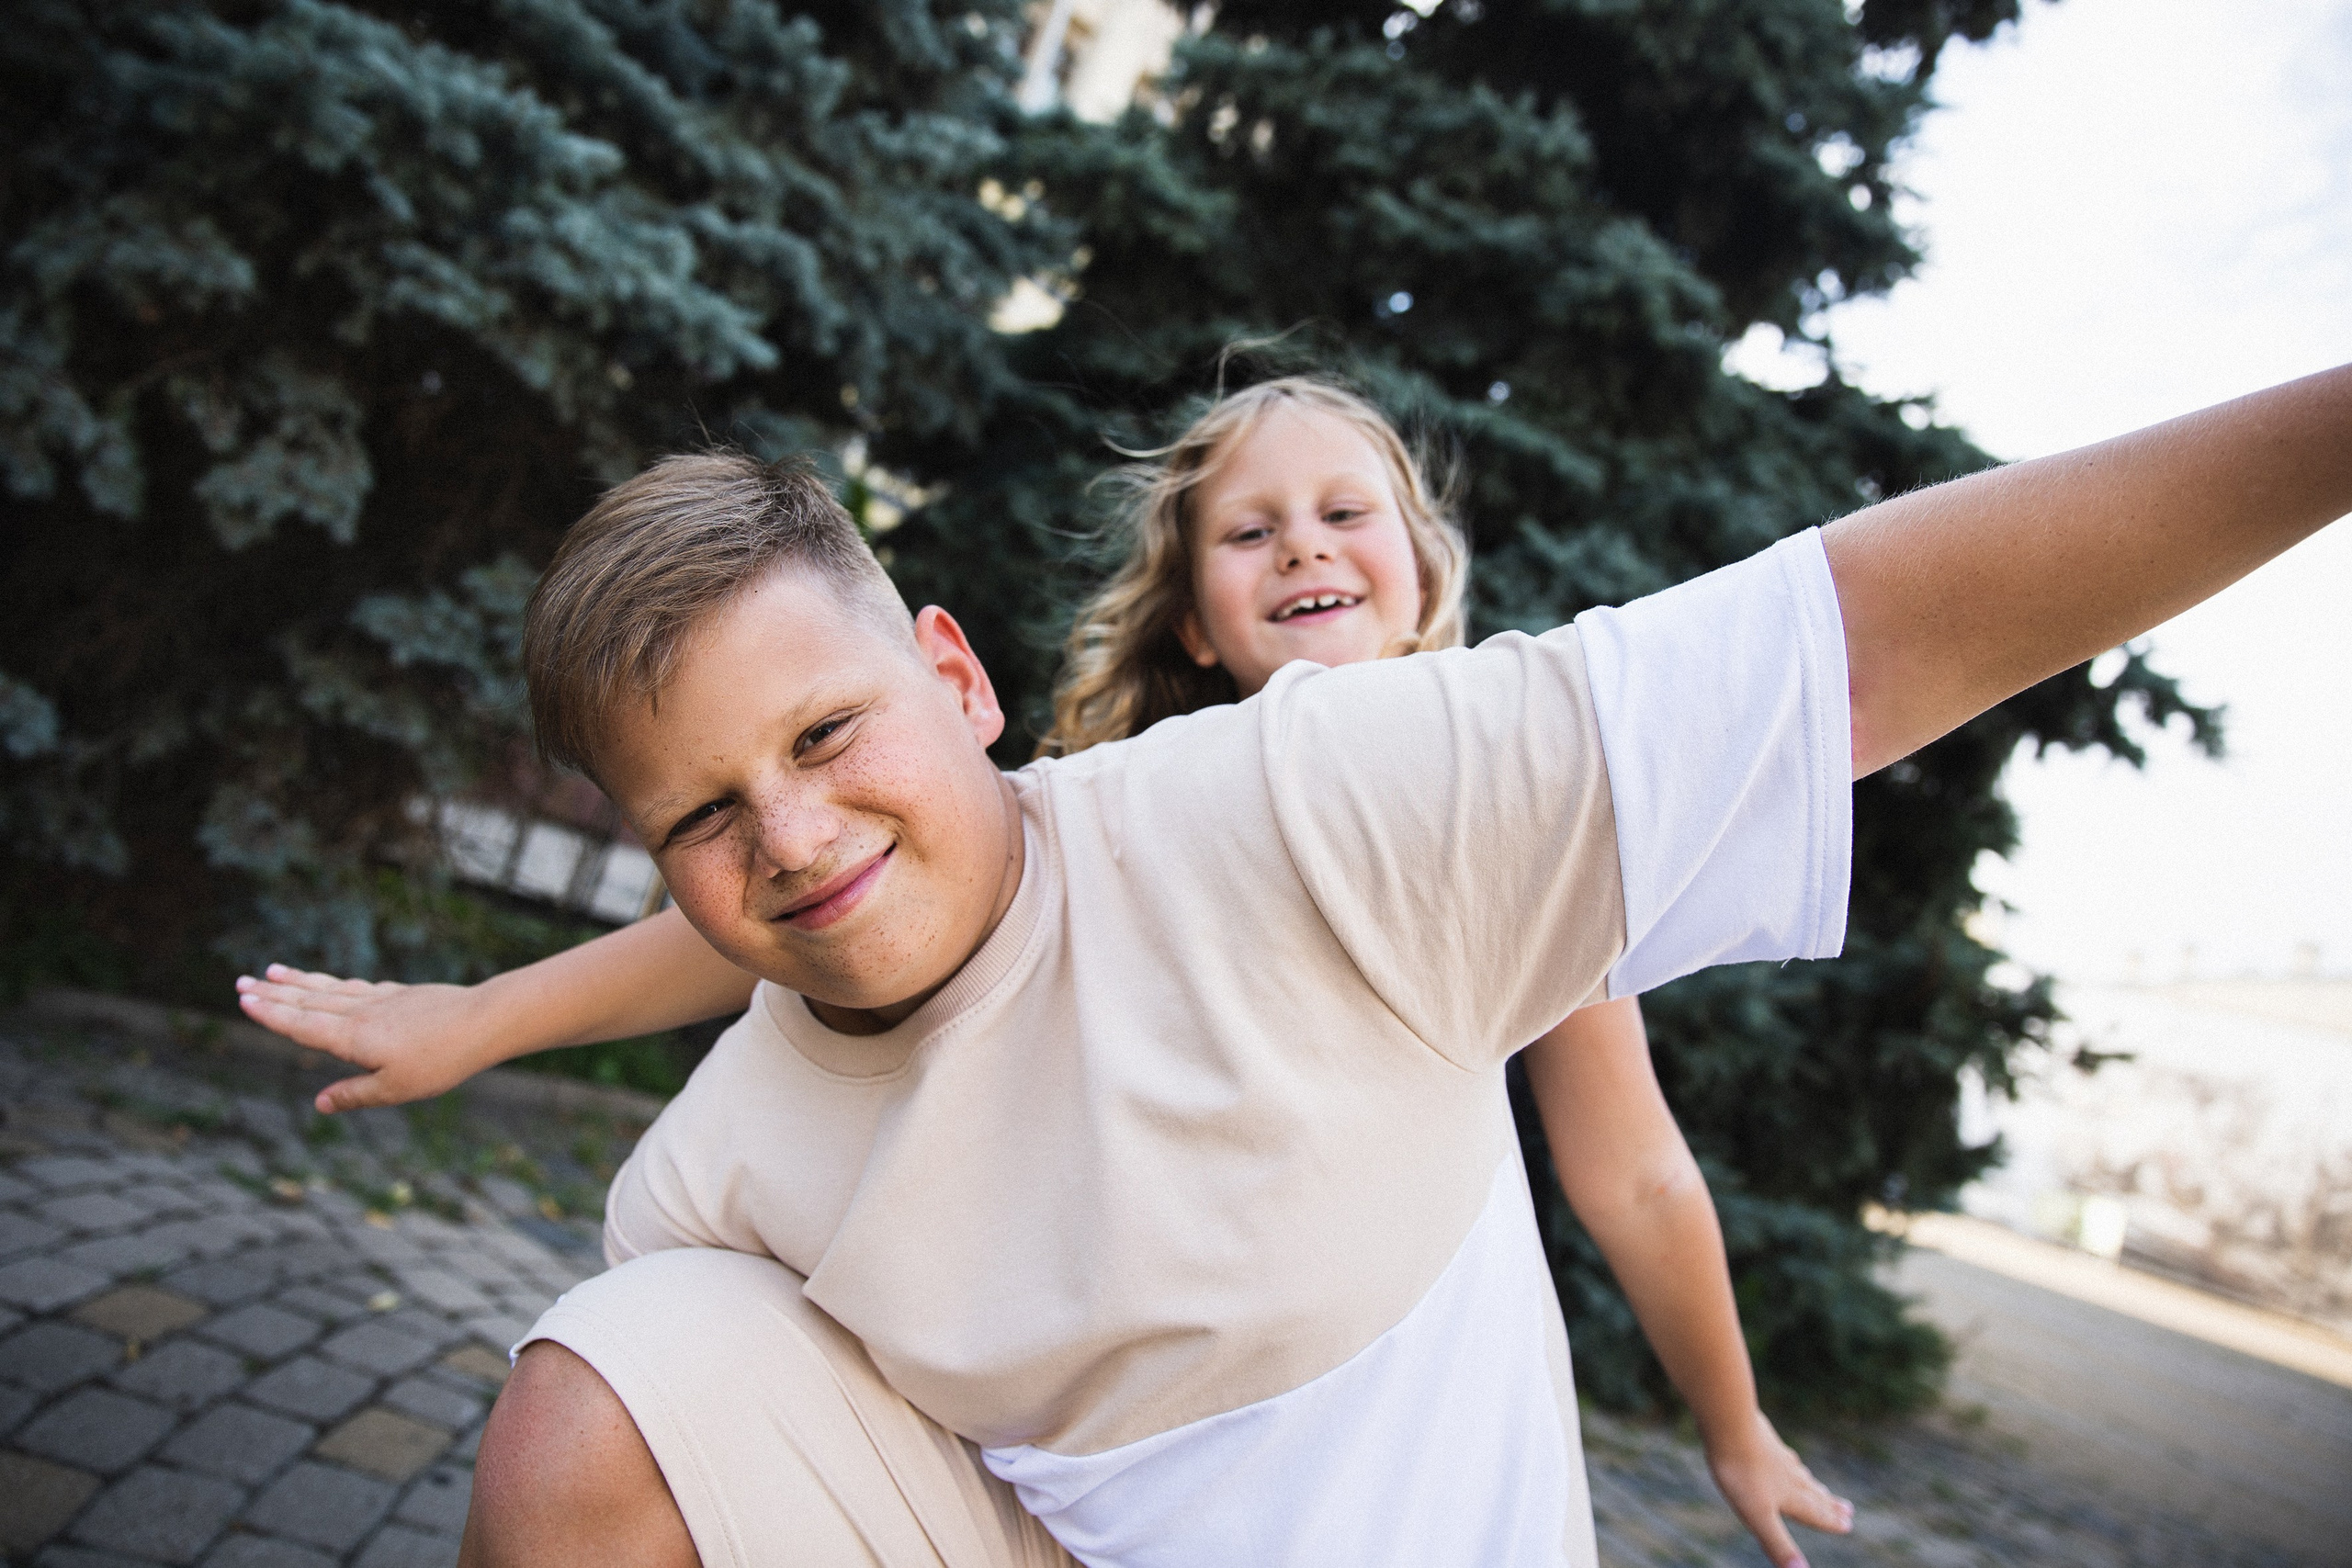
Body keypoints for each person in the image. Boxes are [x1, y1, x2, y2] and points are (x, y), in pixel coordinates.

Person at [240, 363, 2352, 1568]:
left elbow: (1856, 636)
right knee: (600, 1379)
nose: (783, 832)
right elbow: (758, 960)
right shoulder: (731, 1150)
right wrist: (492, 1013)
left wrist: (1722, 1419)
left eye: (823, 737)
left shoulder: (1334, 807)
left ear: (948, 674)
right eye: (704, 813)